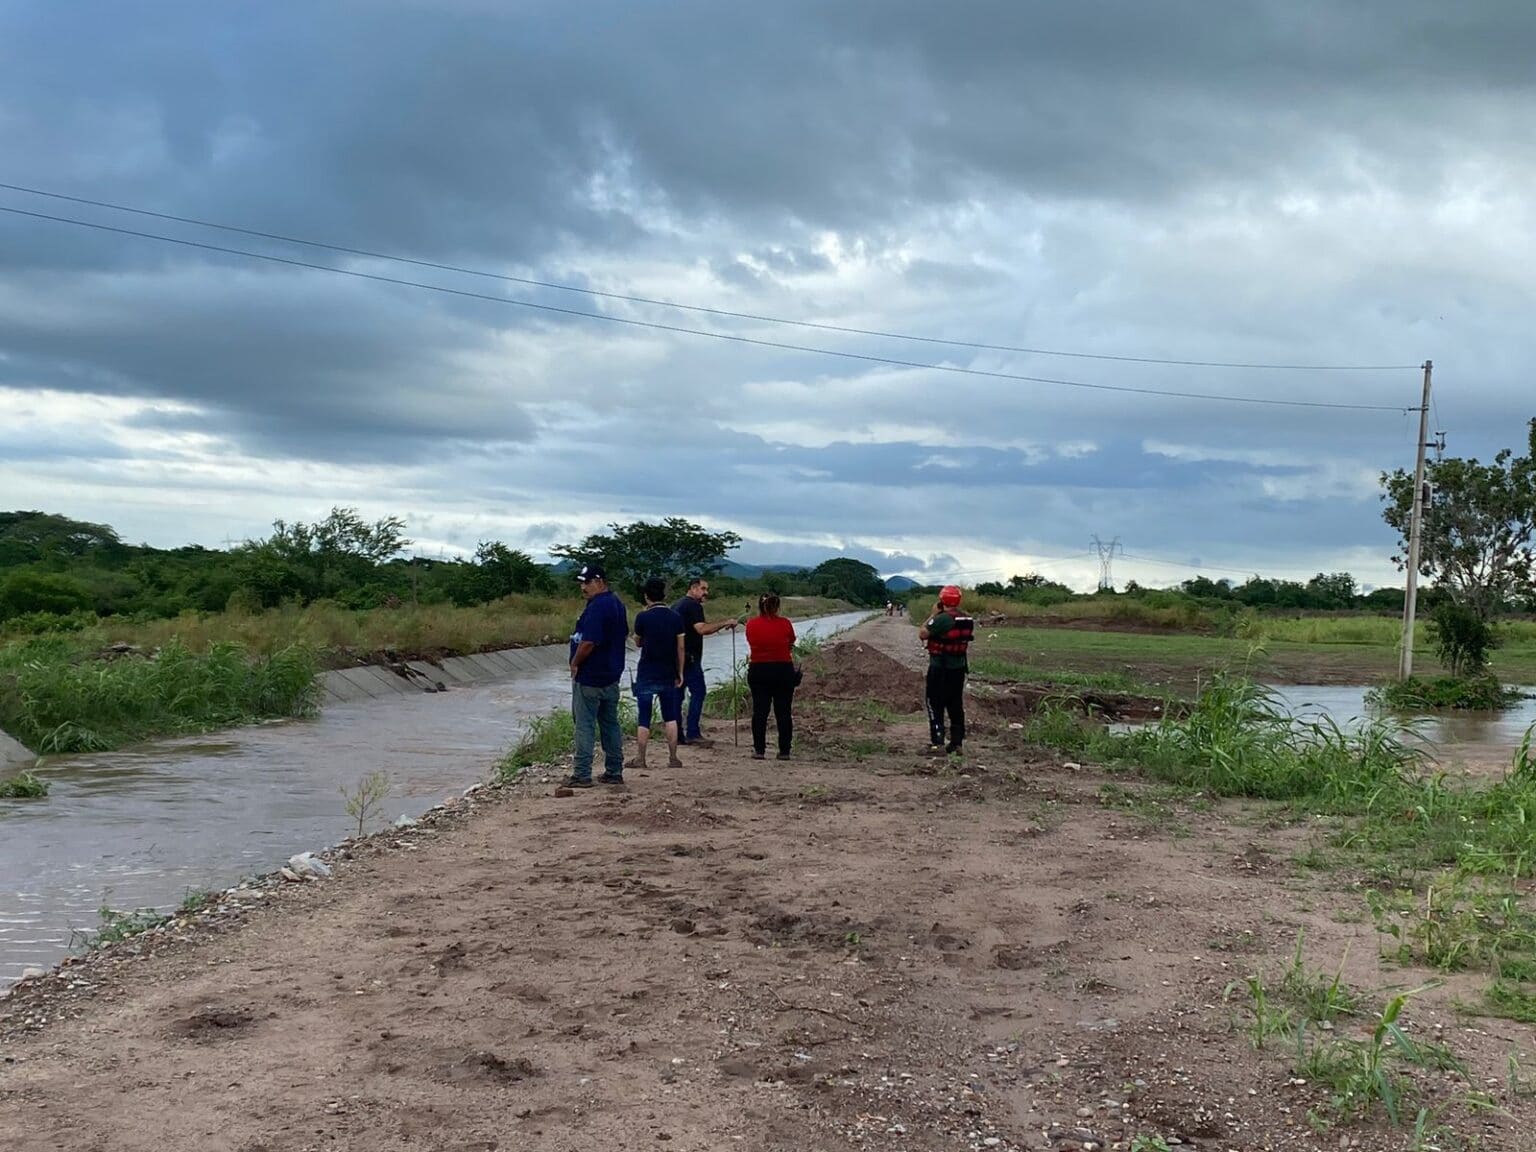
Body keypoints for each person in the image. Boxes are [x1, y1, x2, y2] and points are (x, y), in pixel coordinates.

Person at [565, 562, 628, 788]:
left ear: (600, 582)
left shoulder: (598, 607)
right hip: (611, 675)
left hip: (591, 676)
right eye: (581, 584)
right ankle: (614, 771)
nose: (583, 588)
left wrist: (575, 663)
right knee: (610, 724)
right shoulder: (617, 604)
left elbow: (589, 641)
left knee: (584, 725)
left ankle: (582, 774)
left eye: (587, 583)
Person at [671, 576, 739, 747]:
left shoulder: (677, 604)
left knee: (677, 696)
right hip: (690, 659)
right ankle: (693, 732)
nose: (706, 593)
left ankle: (677, 734)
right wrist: (725, 622)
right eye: (703, 589)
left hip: (675, 658)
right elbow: (701, 629)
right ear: (693, 588)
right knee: (699, 692)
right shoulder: (693, 606)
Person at [629, 577, 686, 772]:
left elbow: (637, 642)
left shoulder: (642, 617)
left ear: (646, 596)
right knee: (670, 716)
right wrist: (680, 672)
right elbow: (680, 647)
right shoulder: (675, 617)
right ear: (664, 595)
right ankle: (673, 757)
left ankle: (641, 758)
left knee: (644, 717)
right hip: (668, 671)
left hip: (646, 671)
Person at [918, 584, 974, 756]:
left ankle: (937, 743)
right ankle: (957, 743)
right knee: (955, 705)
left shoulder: (942, 619)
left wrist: (933, 615)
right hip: (958, 669)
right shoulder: (966, 619)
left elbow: (923, 633)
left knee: (934, 704)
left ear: (942, 599)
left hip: (940, 668)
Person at [745, 591, 798, 760]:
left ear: (760, 606)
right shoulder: (785, 623)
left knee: (760, 711)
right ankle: (784, 751)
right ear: (777, 606)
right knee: (783, 712)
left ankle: (759, 750)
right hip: (783, 670)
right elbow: (791, 642)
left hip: (759, 670)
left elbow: (752, 642)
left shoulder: (751, 624)